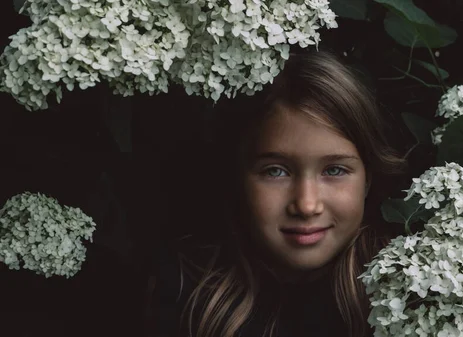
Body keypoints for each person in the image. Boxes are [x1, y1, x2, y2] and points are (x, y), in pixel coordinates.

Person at [145, 50, 406, 337]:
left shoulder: (404, 288)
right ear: (237, 175)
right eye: (275, 171)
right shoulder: (185, 292)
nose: (307, 205)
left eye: (334, 171)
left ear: (368, 178)